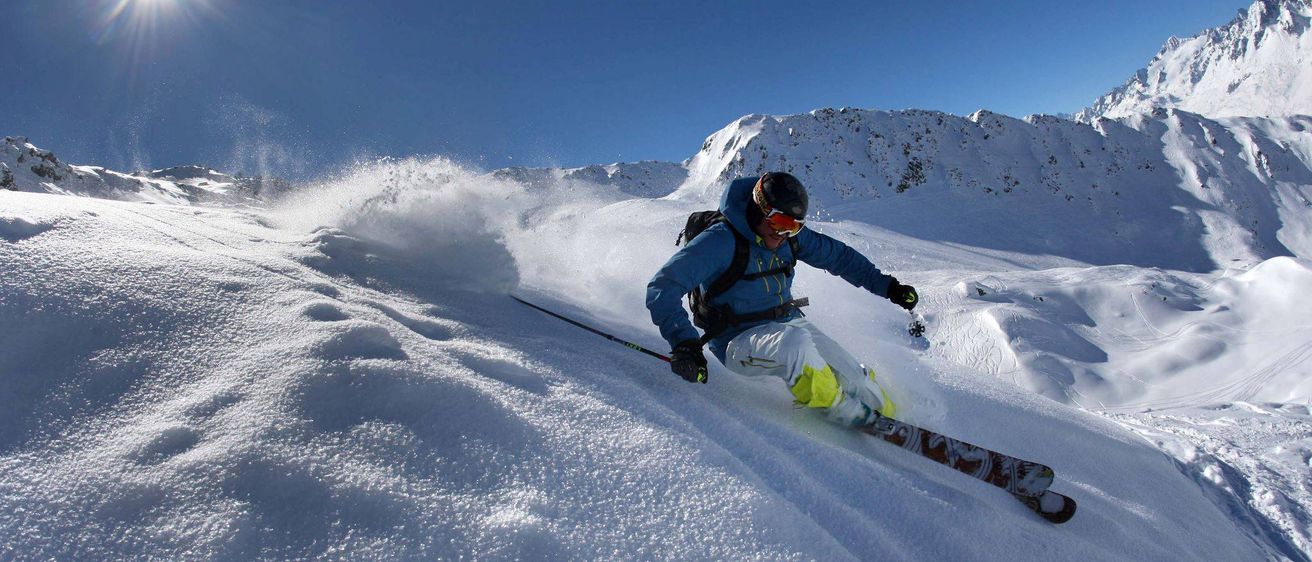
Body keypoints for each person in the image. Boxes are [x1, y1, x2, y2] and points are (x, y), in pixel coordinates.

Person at [646, 172, 918, 426]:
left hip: (787, 322)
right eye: (779, 223)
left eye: (794, 226)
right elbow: (663, 286)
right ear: (758, 208)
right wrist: (684, 343)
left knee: (856, 378)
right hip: (736, 340)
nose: (784, 233)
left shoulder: (790, 238)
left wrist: (889, 287)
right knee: (796, 347)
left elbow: (840, 258)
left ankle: (894, 421)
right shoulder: (720, 241)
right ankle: (842, 410)